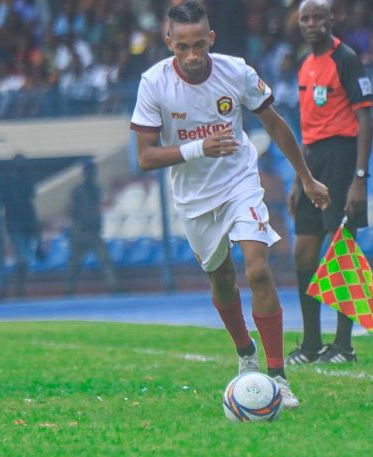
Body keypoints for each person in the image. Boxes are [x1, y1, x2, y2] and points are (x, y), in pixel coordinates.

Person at [129, 0, 330, 409]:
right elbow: (145, 157)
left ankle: (278, 378)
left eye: (199, 45)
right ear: (169, 42)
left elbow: (275, 124)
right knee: (221, 281)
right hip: (194, 199)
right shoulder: (153, 83)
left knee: (258, 270)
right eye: (182, 47)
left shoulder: (236, 71)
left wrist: (307, 178)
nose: (192, 55)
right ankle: (245, 352)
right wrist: (199, 148)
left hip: (240, 184)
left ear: (211, 39)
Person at [286, 0, 373, 365]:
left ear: (330, 19)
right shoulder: (305, 64)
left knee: (341, 253)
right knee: (303, 254)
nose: (311, 24)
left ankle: (344, 347)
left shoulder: (346, 59)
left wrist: (359, 179)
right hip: (313, 161)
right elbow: (307, 130)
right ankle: (311, 346)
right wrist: (300, 180)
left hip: (342, 157)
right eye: (305, 18)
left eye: (317, 17)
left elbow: (366, 120)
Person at [65, 159, 120, 295]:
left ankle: (113, 286)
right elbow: (72, 211)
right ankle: (69, 289)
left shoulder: (96, 190)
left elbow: (97, 208)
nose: (91, 174)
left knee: (105, 259)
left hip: (94, 231)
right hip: (80, 231)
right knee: (75, 264)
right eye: (89, 171)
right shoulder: (78, 191)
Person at [0, 153, 42, 298]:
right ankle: (19, 289)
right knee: (22, 256)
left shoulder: (26, 180)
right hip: (15, 223)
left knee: (25, 257)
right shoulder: (6, 181)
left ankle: (20, 287)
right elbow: (2, 201)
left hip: (27, 221)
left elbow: (31, 197)